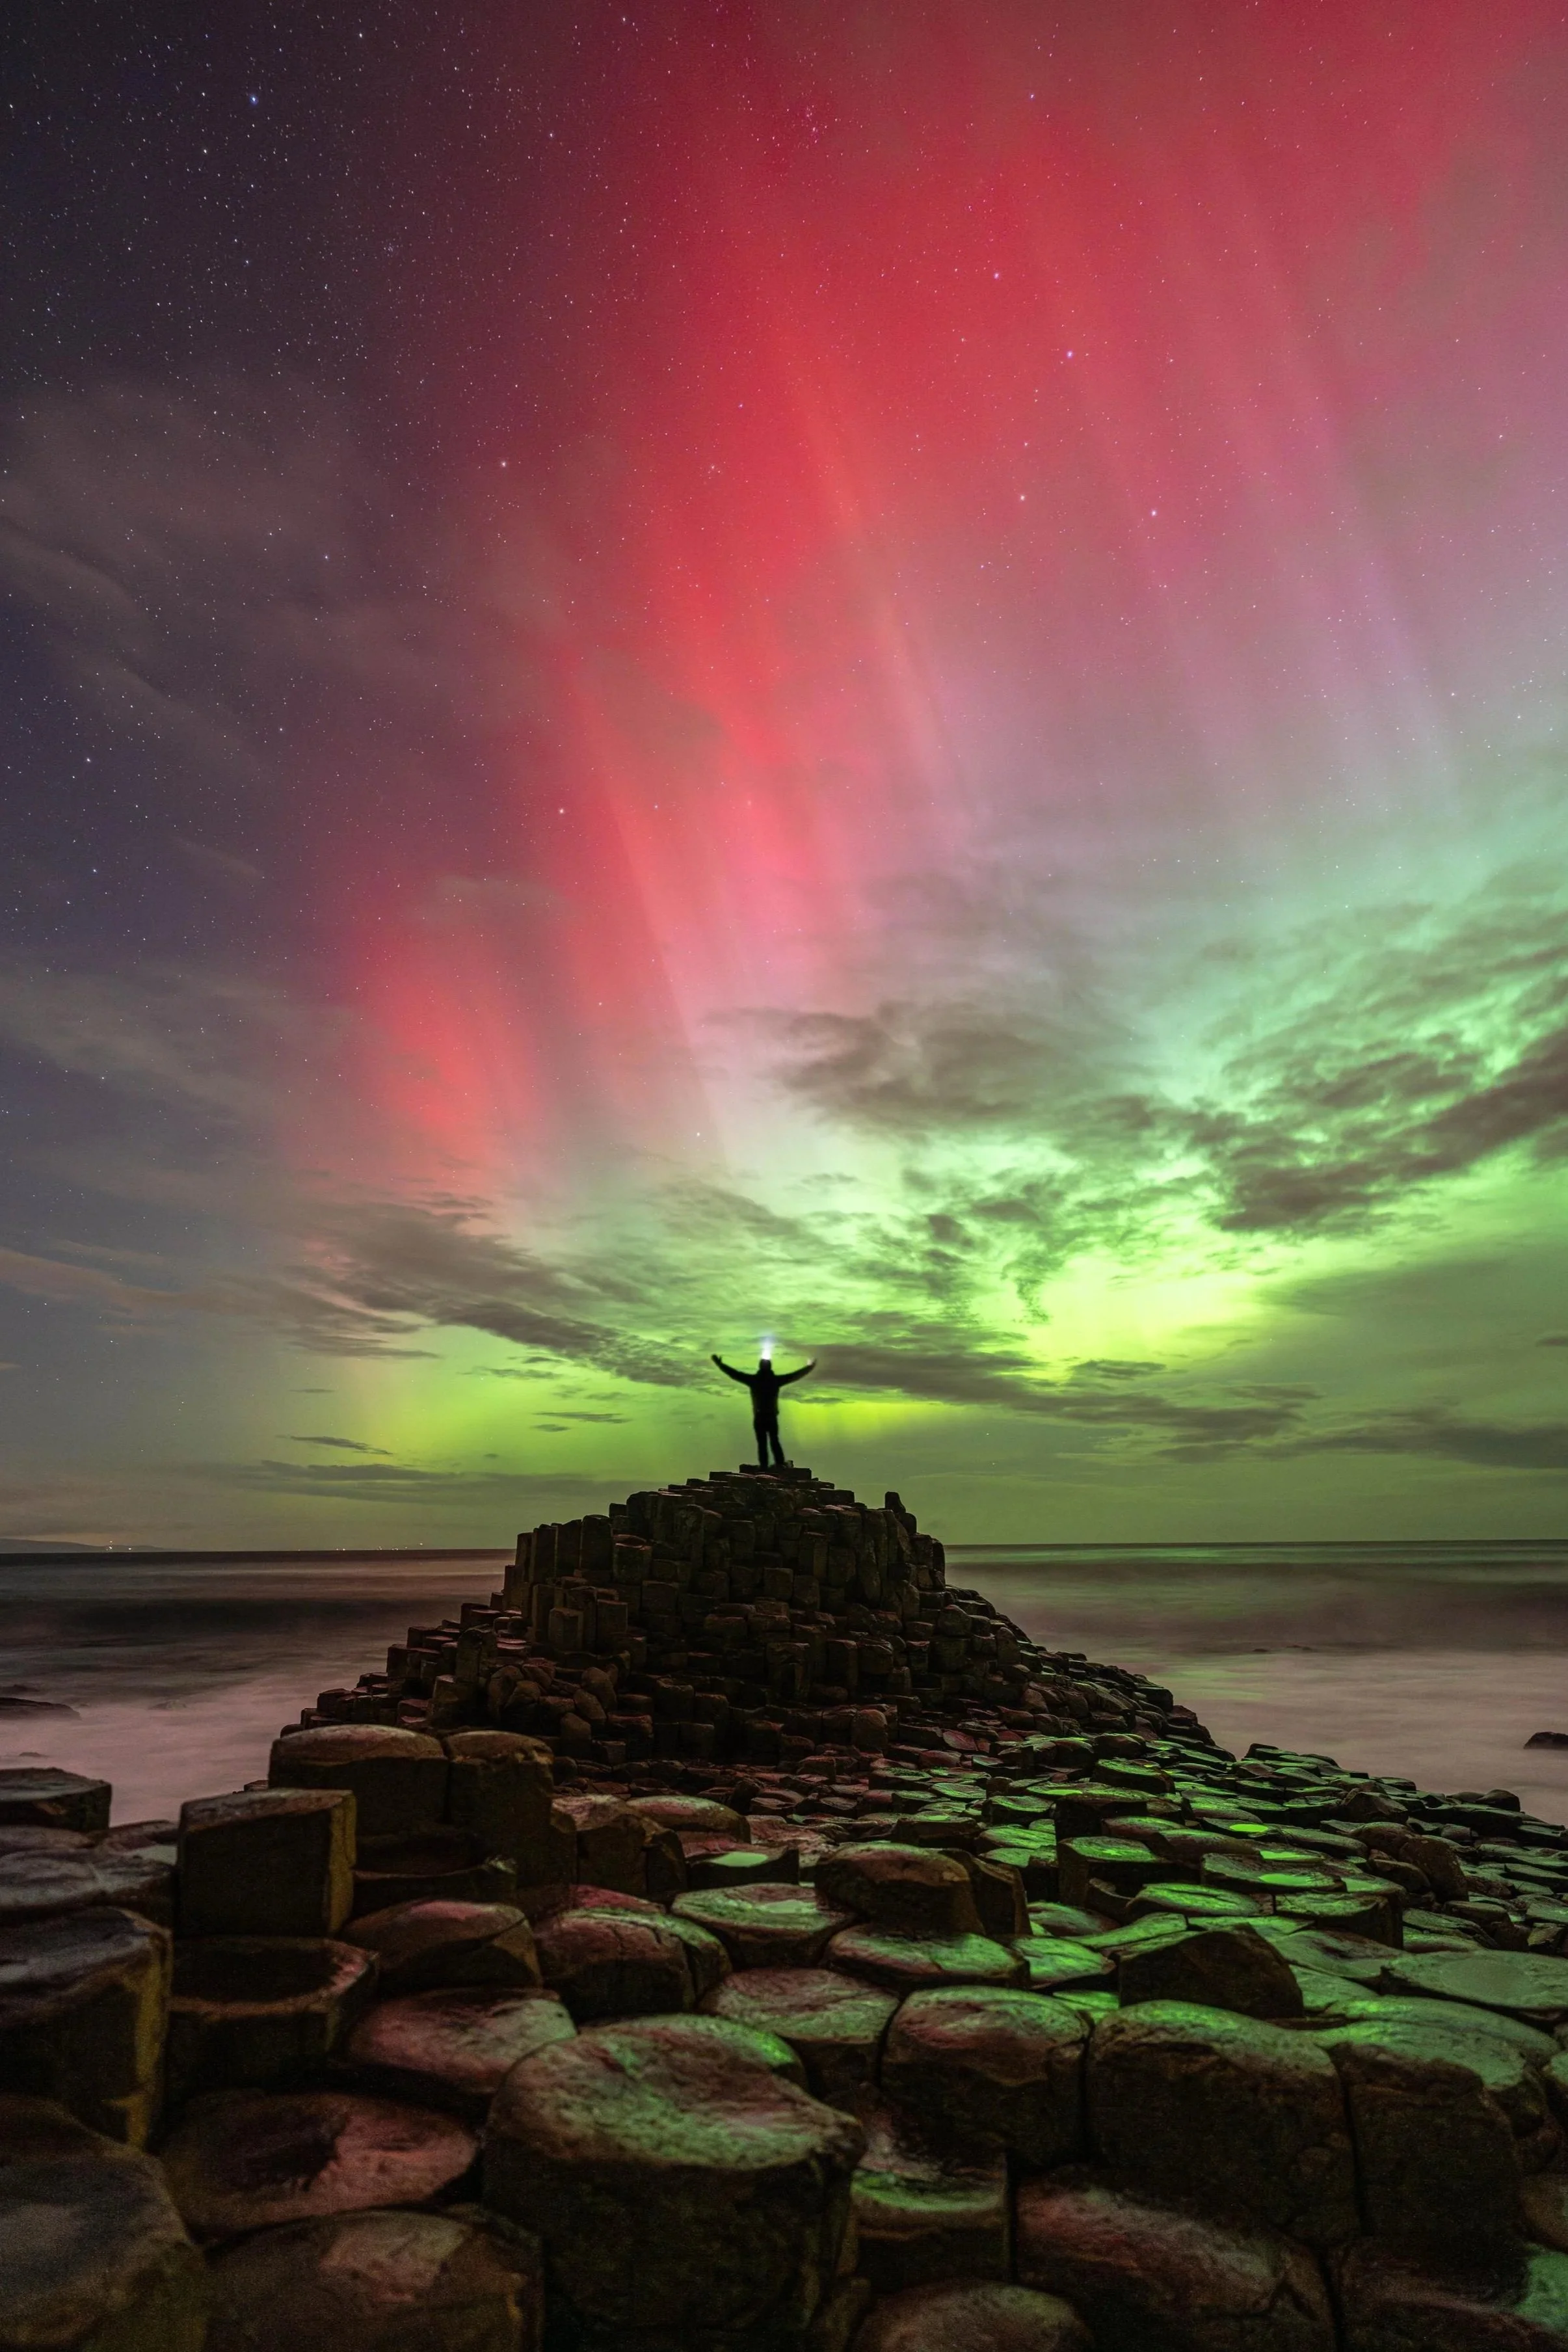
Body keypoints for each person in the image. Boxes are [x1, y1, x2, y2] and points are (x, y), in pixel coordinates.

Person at [711, 1350, 816, 1469]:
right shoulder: (775, 1381)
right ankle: (780, 1464)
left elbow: (734, 1374)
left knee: (762, 1443)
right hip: (771, 1416)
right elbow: (795, 1375)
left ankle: (764, 1466)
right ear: (770, 1367)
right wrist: (810, 1367)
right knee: (774, 1440)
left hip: (759, 1416)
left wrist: (720, 1364)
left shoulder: (754, 1380)